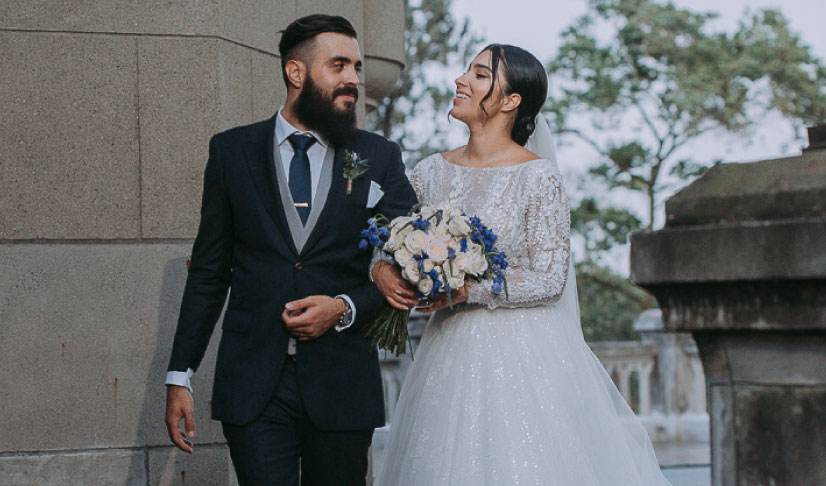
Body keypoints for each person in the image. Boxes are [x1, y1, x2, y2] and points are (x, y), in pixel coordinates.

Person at [371, 44, 671, 485]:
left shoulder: (538, 176)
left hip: (524, 356)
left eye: (478, 74)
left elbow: (550, 278)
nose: (461, 80)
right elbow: (386, 235)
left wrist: (468, 289)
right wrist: (385, 267)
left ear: (511, 101)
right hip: (446, 350)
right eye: (466, 71)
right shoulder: (428, 172)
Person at [163, 14, 417, 486]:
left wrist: (344, 307)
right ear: (295, 73)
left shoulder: (379, 156)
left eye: (357, 68)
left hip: (342, 384)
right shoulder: (231, 152)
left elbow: (409, 264)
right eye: (338, 65)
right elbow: (210, 272)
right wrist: (180, 375)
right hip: (255, 384)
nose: (352, 80)